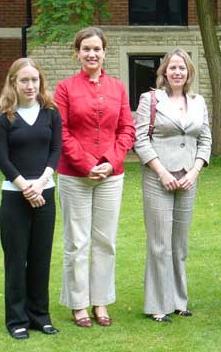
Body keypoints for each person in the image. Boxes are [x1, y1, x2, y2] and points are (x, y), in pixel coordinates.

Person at [55, 27, 135, 328]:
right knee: (76, 241)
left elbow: (127, 129)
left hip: (111, 176)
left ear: (105, 52)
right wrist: (87, 163)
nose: (91, 54)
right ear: (78, 52)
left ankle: (100, 302)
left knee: (105, 241)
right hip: (74, 175)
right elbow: (60, 131)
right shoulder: (65, 88)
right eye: (86, 49)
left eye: (97, 49)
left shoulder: (117, 88)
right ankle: (78, 304)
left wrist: (110, 161)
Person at [134, 48, 211, 322]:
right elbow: (140, 139)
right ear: (164, 71)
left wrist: (195, 171)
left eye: (182, 68)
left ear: (189, 72)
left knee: (179, 244)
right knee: (159, 243)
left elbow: (205, 140)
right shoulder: (150, 99)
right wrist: (161, 172)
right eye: (173, 67)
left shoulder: (198, 101)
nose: (177, 72)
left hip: (188, 178)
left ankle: (179, 300)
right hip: (159, 178)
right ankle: (157, 304)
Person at [0, 58, 62, 340]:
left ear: (40, 82)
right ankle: (17, 320)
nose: (30, 85)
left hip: (45, 193)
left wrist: (41, 183)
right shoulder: (3, 117)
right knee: (16, 259)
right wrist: (25, 187)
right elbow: (2, 159)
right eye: (24, 80)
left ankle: (39, 317)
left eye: (34, 80)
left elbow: (56, 150)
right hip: (14, 197)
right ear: (13, 83)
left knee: (40, 258)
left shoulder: (51, 113)